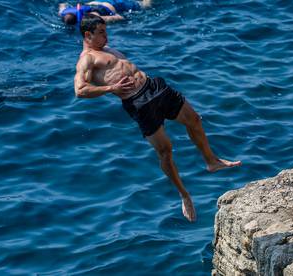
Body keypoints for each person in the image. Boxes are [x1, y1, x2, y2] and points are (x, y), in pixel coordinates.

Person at [74, 14, 242, 222]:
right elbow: (80, 90)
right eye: (101, 33)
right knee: (166, 150)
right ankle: (184, 195)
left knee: (195, 119)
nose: (106, 37)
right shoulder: (87, 59)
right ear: (87, 35)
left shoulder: (106, 50)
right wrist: (112, 88)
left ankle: (211, 161)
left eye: (106, 31)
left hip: (154, 87)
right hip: (139, 102)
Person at [59, 0, 152, 25]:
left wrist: (123, 19)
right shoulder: (63, 12)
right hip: (97, 1)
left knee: (145, 5)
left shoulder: (92, 17)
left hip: (115, 5)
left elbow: (119, 17)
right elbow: (62, 4)